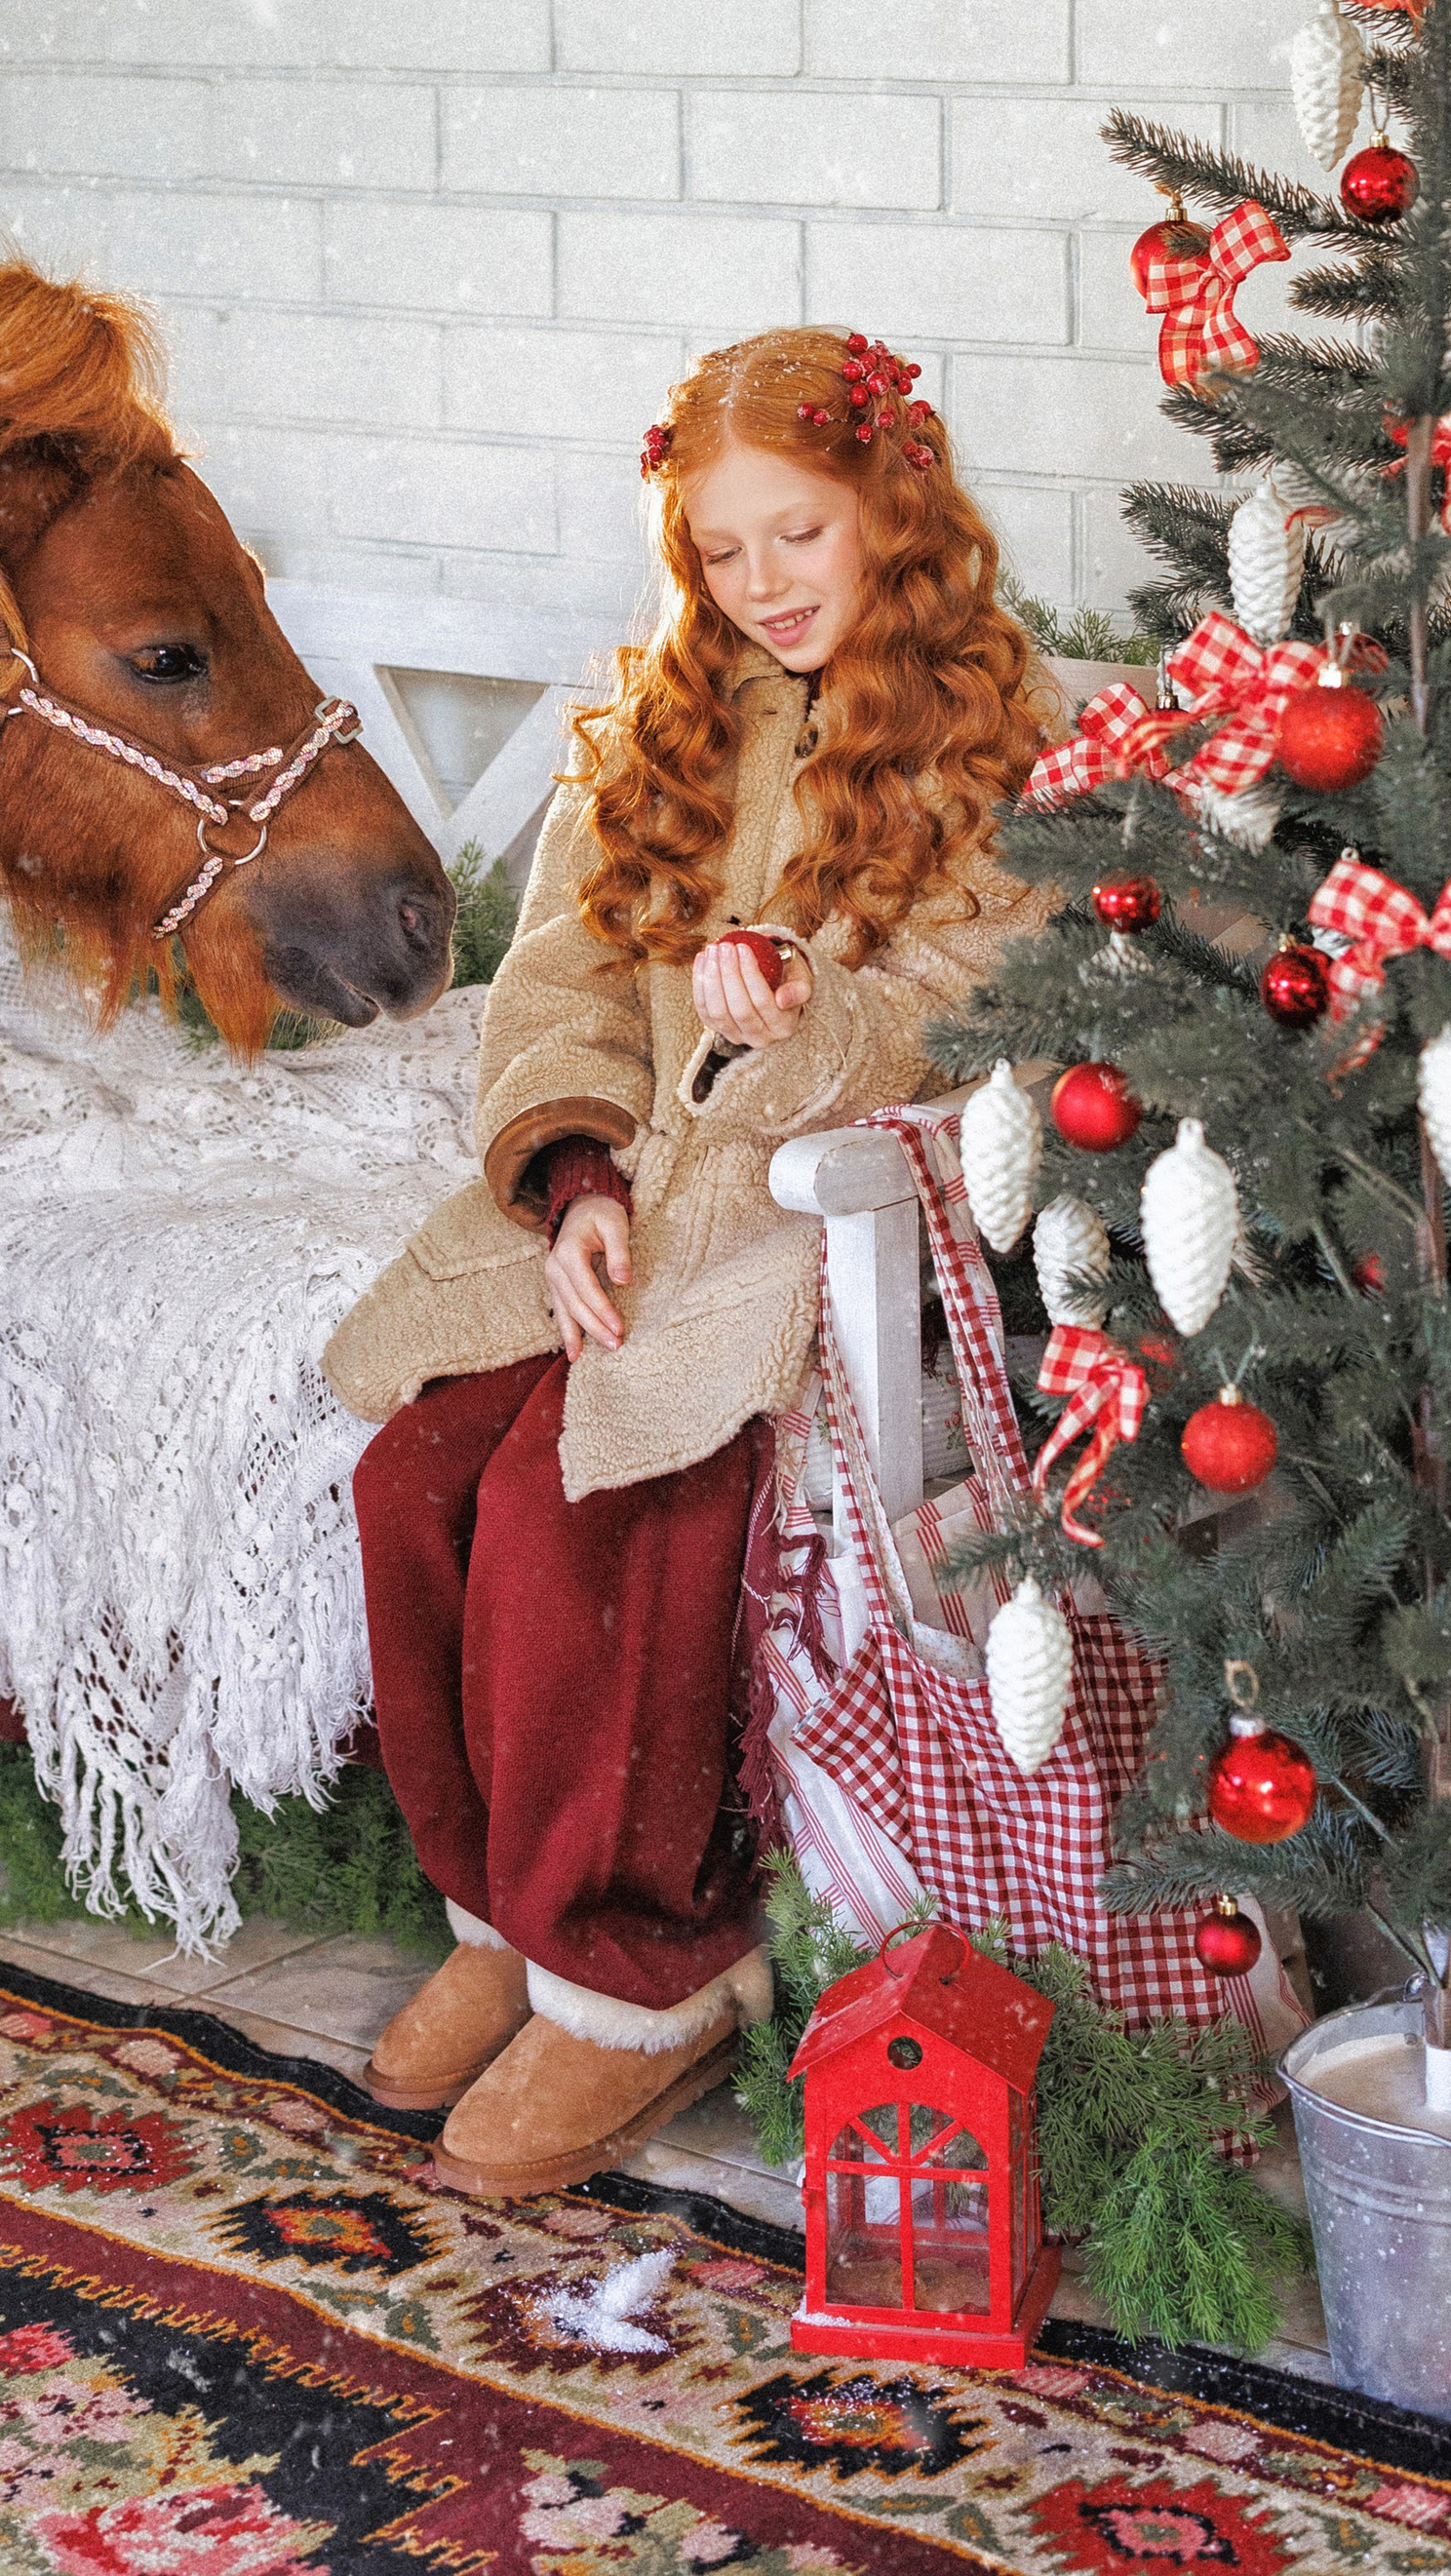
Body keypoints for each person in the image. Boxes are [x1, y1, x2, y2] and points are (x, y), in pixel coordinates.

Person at [324, 325, 1050, 2200]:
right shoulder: (673, 715)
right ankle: (503, 1912)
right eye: (721, 553)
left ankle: (645, 1974)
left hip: (810, 1225)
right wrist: (571, 1176)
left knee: (603, 1515)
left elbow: (970, 997)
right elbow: (557, 977)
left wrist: (808, 1006)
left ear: (890, 507)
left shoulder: (988, 723)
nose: (761, 586)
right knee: (418, 1477)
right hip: (630, 1212)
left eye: (796, 536)